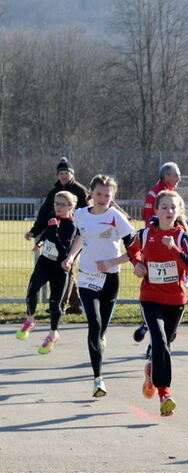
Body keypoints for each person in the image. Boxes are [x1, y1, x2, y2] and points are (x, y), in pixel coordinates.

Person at [125, 190, 188, 416]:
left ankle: (151, 370)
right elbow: (132, 249)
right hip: (150, 298)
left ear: (179, 211)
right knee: (159, 338)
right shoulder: (146, 234)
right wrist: (137, 264)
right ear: (156, 210)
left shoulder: (182, 237)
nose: (169, 211)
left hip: (175, 300)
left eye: (173, 208)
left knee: (167, 342)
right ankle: (165, 392)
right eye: (164, 207)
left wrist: (173, 249)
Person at [64, 175, 135, 398]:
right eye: (99, 194)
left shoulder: (117, 218)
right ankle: (98, 379)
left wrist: (111, 263)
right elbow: (81, 237)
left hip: (110, 278)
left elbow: (135, 249)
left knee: (101, 328)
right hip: (87, 276)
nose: (103, 198)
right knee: (93, 324)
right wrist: (71, 257)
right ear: (91, 194)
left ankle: (101, 339)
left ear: (113, 196)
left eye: (107, 195)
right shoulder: (81, 214)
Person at [17, 190, 80, 353]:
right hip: (44, 263)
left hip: (59, 268)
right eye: (56, 203)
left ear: (71, 207)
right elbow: (46, 231)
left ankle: (53, 333)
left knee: (54, 303)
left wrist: (54, 230)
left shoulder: (71, 225)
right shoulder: (53, 217)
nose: (58, 207)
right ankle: (30, 319)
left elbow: (64, 250)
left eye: (62, 204)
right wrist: (41, 242)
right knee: (32, 290)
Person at [26, 157, 89, 315]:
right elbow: (44, 213)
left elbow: (89, 212)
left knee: (68, 267)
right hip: (55, 236)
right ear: (57, 175)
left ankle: (59, 305)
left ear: (72, 174)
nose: (63, 176)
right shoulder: (54, 192)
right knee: (67, 270)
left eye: (66, 173)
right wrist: (34, 231)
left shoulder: (80, 191)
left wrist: (83, 230)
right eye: (61, 173)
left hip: (74, 236)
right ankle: (75, 305)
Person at [133, 161, 183, 344]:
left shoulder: (171, 194)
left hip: (171, 244)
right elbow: (150, 221)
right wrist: (152, 244)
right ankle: (148, 325)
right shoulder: (156, 194)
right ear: (167, 176)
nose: (179, 178)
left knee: (179, 278)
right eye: (176, 174)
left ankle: (161, 332)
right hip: (156, 244)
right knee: (154, 283)